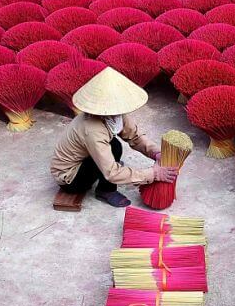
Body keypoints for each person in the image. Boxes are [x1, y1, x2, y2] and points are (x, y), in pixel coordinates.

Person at [50, 67, 179, 207]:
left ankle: (105, 179)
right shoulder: (93, 129)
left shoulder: (115, 115)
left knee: (114, 145)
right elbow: (111, 173)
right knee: (113, 150)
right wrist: (153, 174)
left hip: (86, 156)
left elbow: (134, 136)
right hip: (71, 178)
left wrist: (156, 153)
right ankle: (105, 191)